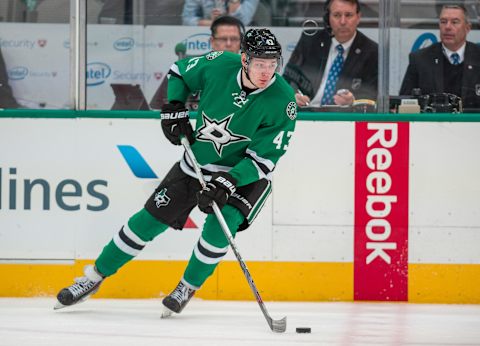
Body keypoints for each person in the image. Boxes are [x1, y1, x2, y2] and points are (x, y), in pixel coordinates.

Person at [55, 28, 297, 316]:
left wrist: (229, 181)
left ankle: (186, 286)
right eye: (260, 63)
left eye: (272, 64)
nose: (266, 71)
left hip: (243, 177)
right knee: (146, 222)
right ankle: (92, 278)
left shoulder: (283, 100)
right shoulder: (219, 63)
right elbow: (179, 72)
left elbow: (265, 159)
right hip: (195, 166)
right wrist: (174, 106)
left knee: (219, 228)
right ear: (244, 59)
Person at [283, 0, 378, 108]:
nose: (343, 21)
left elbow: (373, 94)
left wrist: (353, 100)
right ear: (328, 17)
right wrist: (293, 95)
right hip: (308, 113)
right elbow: (288, 79)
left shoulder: (371, 51)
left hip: (345, 118)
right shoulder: (309, 42)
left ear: (358, 17)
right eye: (337, 15)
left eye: (349, 15)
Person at [150, 15, 245, 110]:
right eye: (223, 39)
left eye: (234, 39)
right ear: (212, 42)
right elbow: (157, 111)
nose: (229, 44)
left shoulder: (252, 73)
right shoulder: (184, 71)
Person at [399, 4, 480, 110]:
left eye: (454, 22)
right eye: (443, 22)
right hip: (431, 125)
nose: (447, 27)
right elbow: (404, 102)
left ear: (467, 28)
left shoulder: (477, 56)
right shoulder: (420, 59)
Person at [182, 0, 259, 26]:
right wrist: (211, 23)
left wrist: (234, 2)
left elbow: (244, 21)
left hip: (239, 37)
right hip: (204, 38)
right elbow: (186, 19)